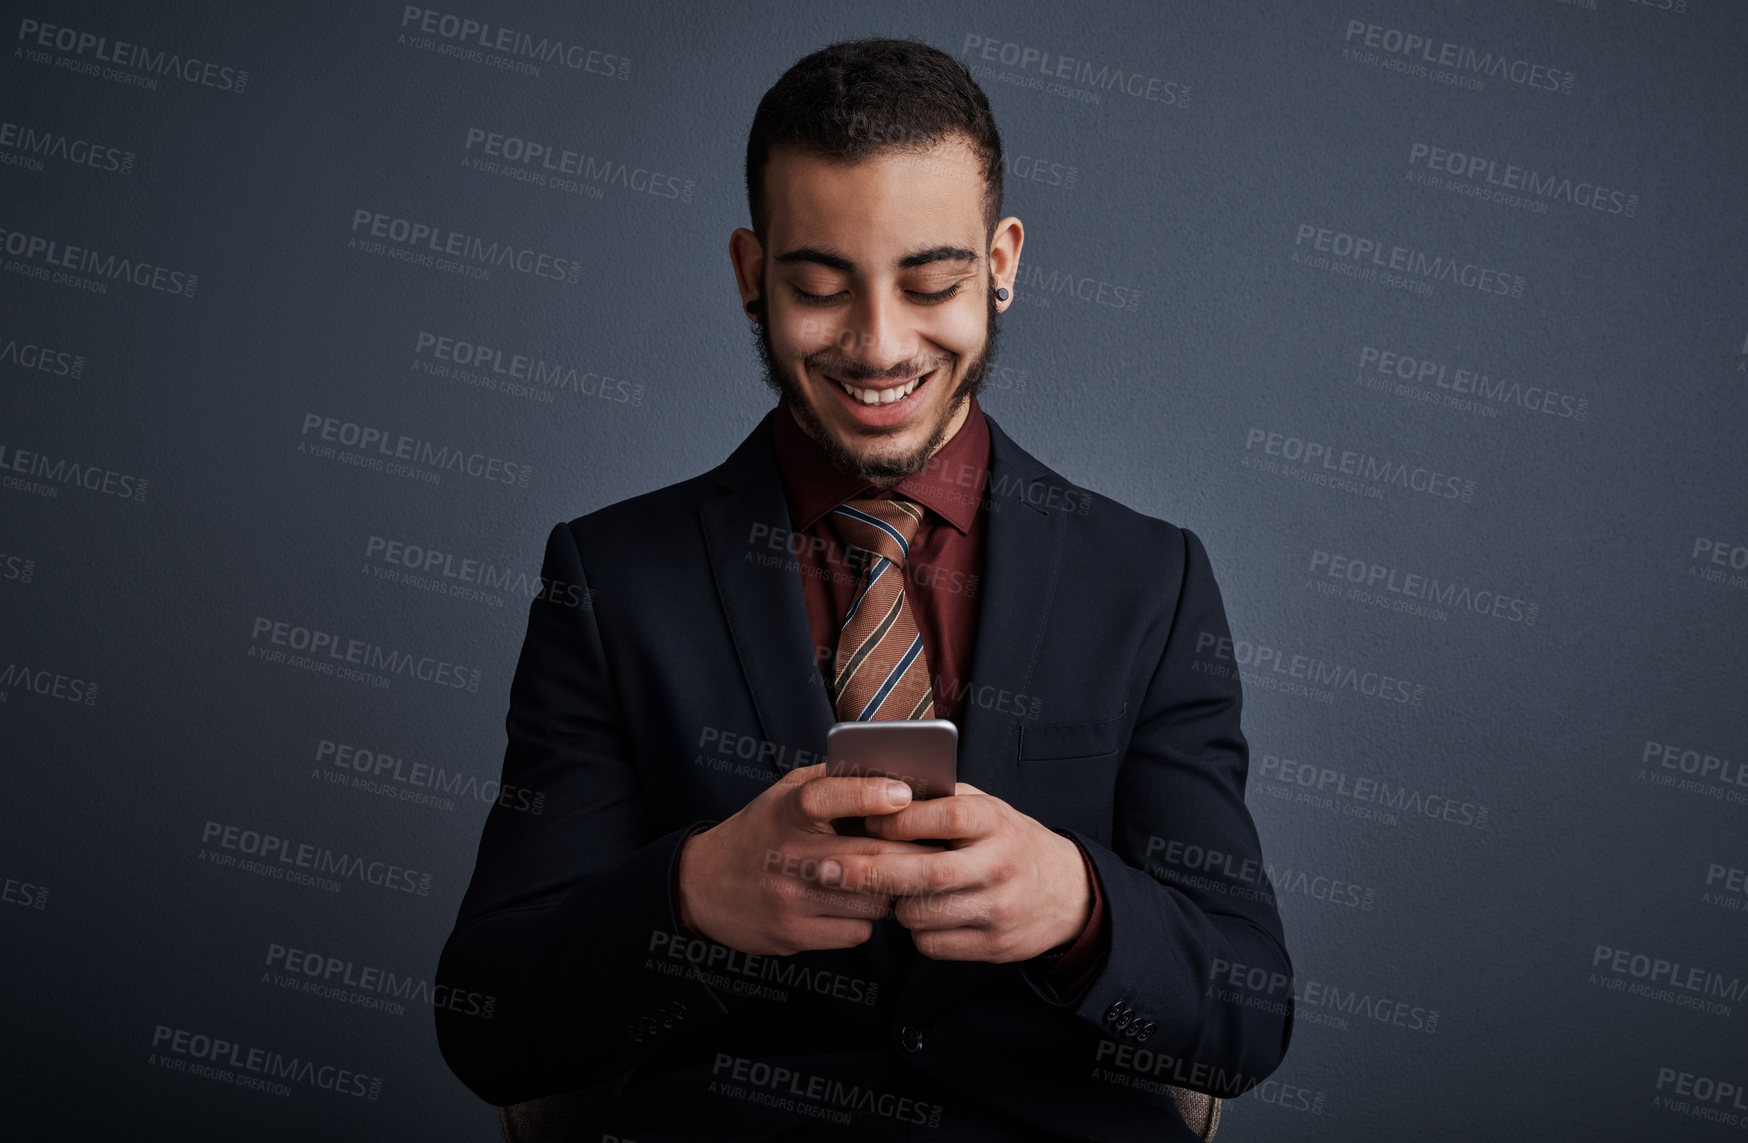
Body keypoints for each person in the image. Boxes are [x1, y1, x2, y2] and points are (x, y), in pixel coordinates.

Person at [436, 36, 1294, 1142]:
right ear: (751, 276)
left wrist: (1078, 908)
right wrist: (691, 896)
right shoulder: (612, 581)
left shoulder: (1148, 581)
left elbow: (1245, 1015)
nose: (878, 347)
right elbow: (489, 1025)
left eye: (930, 283)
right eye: (818, 287)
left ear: (1002, 263)